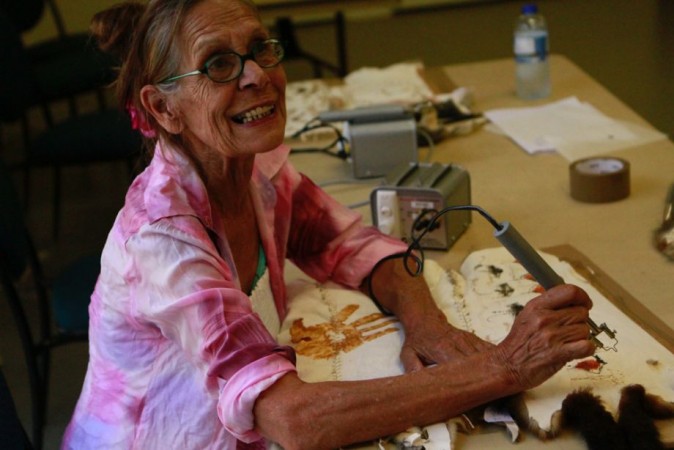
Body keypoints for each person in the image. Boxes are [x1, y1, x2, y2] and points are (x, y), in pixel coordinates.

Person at [63, 1, 596, 449]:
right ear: (163, 108)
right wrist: (504, 366)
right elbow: (291, 418)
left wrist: (427, 325)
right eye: (219, 65)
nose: (256, 76)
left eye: (260, 49)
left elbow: (354, 247)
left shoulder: (259, 169)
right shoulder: (163, 240)